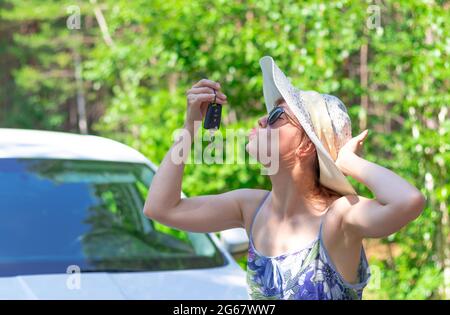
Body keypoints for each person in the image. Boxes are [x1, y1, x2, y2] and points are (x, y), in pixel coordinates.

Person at [143, 56, 425, 300]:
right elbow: (160, 208)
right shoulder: (250, 208)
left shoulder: (339, 218)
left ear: (306, 146)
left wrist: (348, 162)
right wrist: (190, 126)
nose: (262, 121)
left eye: (277, 115)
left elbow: (409, 201)